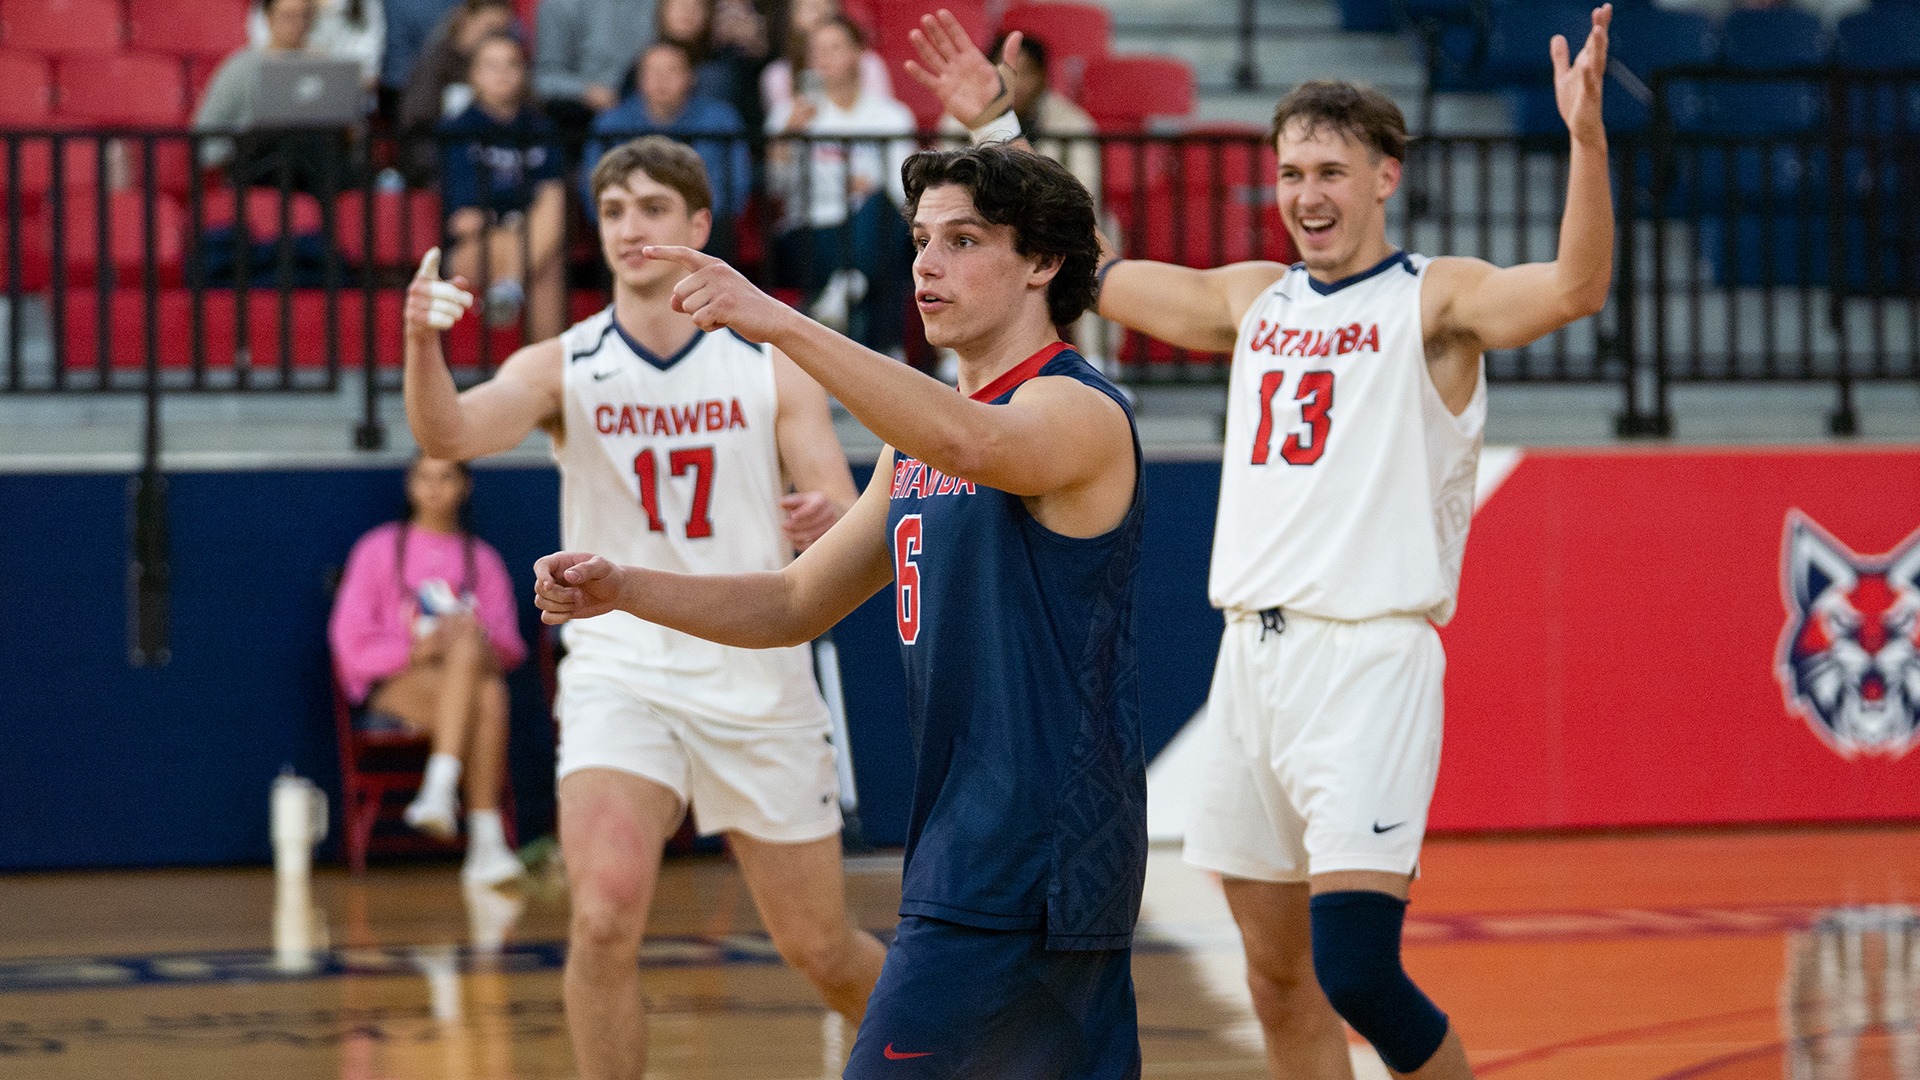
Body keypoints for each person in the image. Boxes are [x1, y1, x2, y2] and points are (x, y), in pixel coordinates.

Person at [907, 6, 1615, 1078]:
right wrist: (1002, 129)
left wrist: (1588, 144)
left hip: (1371, 656)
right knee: (1274, 978)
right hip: (1255, 660)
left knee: (1359, 972)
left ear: (1384, 177)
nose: (1306, 194)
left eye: (1330, 170)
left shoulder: (1437, 300)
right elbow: (1085, 264)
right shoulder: (1254, 299)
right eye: (1290, 173)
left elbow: (1572, 287)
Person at [531, 138, 1147, 1079]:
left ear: (1043, 263)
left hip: (1037, 846)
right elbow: (791, 600)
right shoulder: (922, 444)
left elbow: (974, 441)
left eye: (964, 241)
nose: (927, 265)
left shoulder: (1075, 412)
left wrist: (774, 320)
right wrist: (624, 589)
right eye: (920, 240)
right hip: (984, 845)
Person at [402, 135, 884, 1080]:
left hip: (756, 672)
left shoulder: (768, 362)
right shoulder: (561, 366)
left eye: (653, 208)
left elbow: (840, 512)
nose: (631, 228)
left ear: (700, 226)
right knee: (603, 915)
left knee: (820, 950)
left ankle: (951, 1055)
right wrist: (424, 342)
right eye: (615, 211)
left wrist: (825, 515)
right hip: (624, 671)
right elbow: (448, 430)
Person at [328, 455, 528, 888]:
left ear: (465, 486)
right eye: (424, 477)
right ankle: (485, 842)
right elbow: (350, 644)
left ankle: (440, 788)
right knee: (488, 695)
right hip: (397, 685)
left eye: (446, 477)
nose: (435, 488)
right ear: (410, 484)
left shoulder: (483, 559)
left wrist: (466, 641)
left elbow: (511, 646)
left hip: (465, 687)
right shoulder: (377, 548)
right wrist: (419, 650)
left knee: (481, 670)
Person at [765, 15, 915, 351]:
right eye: (816, 50)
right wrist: (788, 138)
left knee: (882, 214)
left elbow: (902, 191)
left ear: (858, 54)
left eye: (834, 47)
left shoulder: (892, 115)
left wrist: (866, 185)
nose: (823, 58)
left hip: (872, 222)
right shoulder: (791, 114)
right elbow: (777, 189)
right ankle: (889, 353)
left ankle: (844, 288)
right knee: (882, 252)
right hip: (811, 228)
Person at [438, 32, 568, 338]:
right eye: (491, 66)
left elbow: (555, 207)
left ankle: (508, 286)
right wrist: (518, 224)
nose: (502, 74)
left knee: (555, 197)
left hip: (531, 236)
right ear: (474, 76)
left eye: (511, 65)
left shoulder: (542, 129)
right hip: (470, 251)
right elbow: (465, 222)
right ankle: (549, 380)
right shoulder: (456, 130)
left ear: (523, 73)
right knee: (545, 261)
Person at [583, 41, 751, 256]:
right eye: (652, 71)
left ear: (691, 77)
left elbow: (733, 189)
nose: (661, 79)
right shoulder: (610, 124)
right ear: (639, 79)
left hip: (702, 232)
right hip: (632, 230)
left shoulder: (721, 119)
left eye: (672, 70)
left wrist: (676, 223)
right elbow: (594, 191)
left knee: (716, 230)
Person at [195, 0, 356, 189]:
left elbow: (350, 136)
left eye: (303, 16)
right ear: (269, 18)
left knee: (314, 140)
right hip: (257, 164)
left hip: (311, 164)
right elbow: (206, 132)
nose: (296, 24)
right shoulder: (240, 67)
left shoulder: (325, 68)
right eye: (287, 16)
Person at [395, 0, 518, 181]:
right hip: (441, 166)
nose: (494, 36)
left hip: (499, 164)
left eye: (502, 30)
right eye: (490, 27)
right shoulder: (437, 62)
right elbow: (416, 118)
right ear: (466, 19)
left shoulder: (508, 65)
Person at [533, 0, 656, 134]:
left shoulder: (652, 4)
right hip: (576, 115)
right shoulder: (557, 5)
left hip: (646, 106)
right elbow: (544, 78)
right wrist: (585, 91)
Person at [759, 0, 891, 119]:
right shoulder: (777, 75)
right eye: (809, 7)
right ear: (791, 17)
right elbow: (778, 134)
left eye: (826, 3)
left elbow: (882, 119)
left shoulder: (868, 64)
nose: (820, 13)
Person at [655, 0, 765, 129]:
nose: (686, 12)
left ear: (708, 14)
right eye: (679, 5)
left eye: (695, 6)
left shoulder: (728, 67)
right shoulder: (642, 64)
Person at [251, 0, 385, 90]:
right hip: (279, 88)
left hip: (343, 100)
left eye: (305, 15)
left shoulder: (364, 6)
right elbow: (264, 44)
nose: (298, 22)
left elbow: (368, 69)